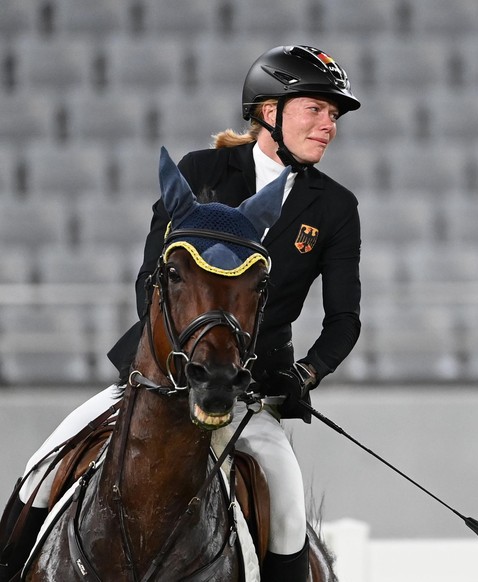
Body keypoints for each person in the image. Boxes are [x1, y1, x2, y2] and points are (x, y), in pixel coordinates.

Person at [0, 45, 362, 582]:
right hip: (159, 379)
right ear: (270, 111)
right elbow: (152, 278)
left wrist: (303, 374)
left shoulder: (334, 206)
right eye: (315, 109)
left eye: (333, 115)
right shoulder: (201, 172)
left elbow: (344, 322)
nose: (328, 125)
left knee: (286, 507)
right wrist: (177, 364)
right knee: (39, 468)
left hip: (249, 388)